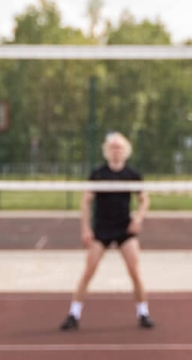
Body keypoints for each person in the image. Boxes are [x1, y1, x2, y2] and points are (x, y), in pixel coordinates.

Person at [60, 132, 152, 330]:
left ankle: (143, 313)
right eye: (112, 147)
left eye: (119, 147)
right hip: (101, 230)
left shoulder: (132, 175)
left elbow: (144, 199)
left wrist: (138, 218)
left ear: (126, 150)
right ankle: (73, 314)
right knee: (88, 271)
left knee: (135, 271)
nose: (116, 150)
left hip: (124, 229)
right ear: (107, 151)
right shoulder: (98, 174)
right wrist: (85, 228)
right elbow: (85, 202)